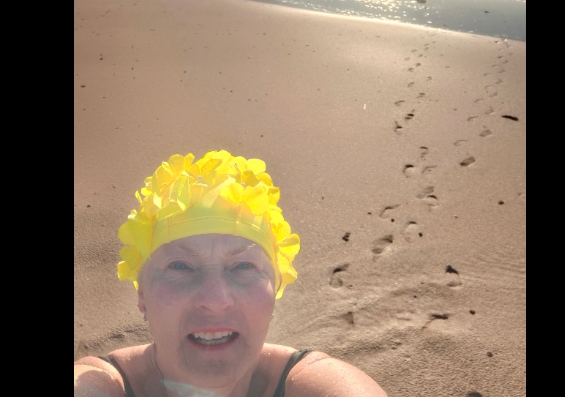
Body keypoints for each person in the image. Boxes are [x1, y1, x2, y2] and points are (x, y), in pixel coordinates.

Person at [74, 150, 387, 396]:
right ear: (142, 293)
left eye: (243, 266)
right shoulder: (100, 383)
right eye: (180, 266)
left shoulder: (315, 382)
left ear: (275, 285)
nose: (216, 300)